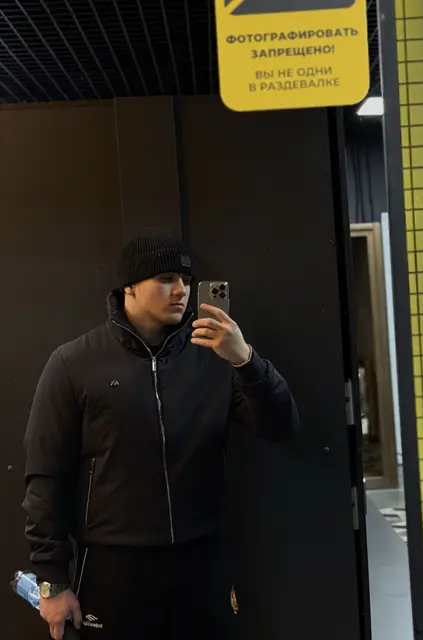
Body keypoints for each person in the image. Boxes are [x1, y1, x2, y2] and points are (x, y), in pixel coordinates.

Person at [23, 228, 299, 640]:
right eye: (166, 279)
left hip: (201, 560)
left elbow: (281, 426)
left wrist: (245, 359)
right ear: (130, 286)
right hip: (115, 565)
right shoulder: (73, 364)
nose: (181, 291)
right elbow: (46, 476)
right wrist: (51, 580)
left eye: (186, 280)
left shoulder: (215, 355)